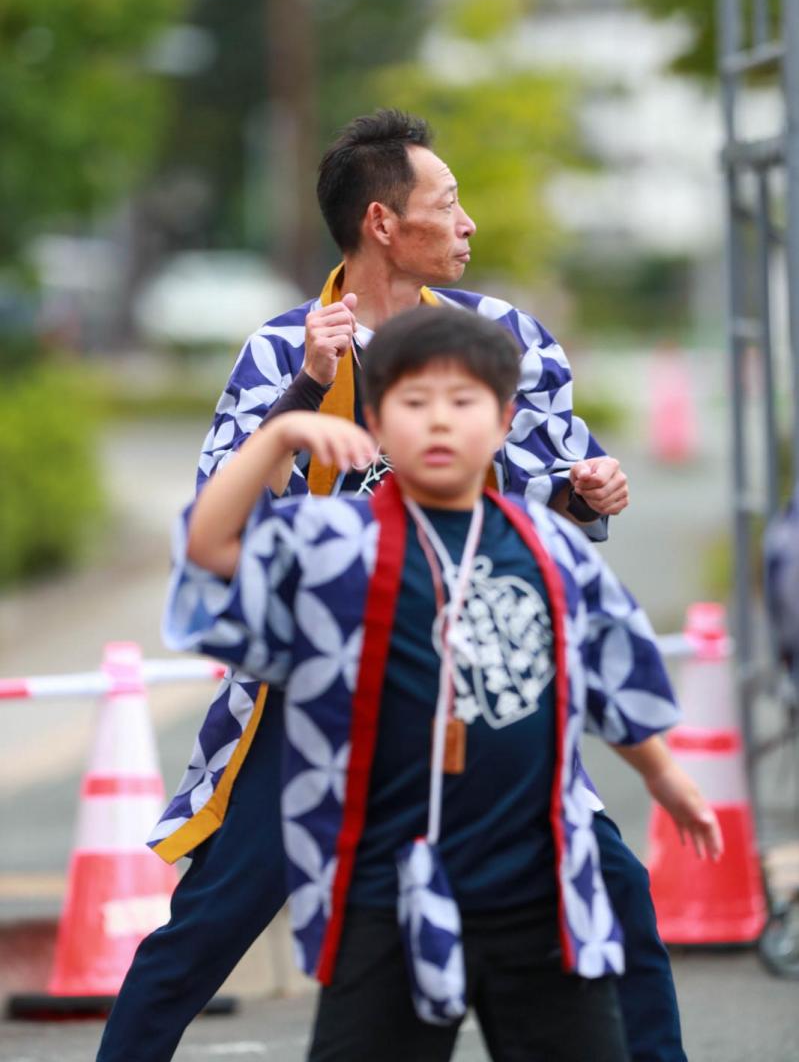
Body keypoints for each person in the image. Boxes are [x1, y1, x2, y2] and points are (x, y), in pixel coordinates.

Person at [96, 110, 676, 1062]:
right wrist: (303, 396)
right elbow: (223, 521)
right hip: (328, 683)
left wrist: (588, 488)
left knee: (613, 887)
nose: (466, 222)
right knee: (210, 923)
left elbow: (547, 481)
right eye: (444, 204)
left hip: (477, 677)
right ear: (381, 222)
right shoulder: (285, 349)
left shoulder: (502, 335)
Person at [163, 305, 721, 1062]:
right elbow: (209, 545)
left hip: (540, 891)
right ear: (376, 422)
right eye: (412, 404)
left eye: (461, 404)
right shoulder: (333, 541)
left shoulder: (550, 544)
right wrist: (285, 432)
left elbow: (610, 671)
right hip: (385, 890)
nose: (437, 423)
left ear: (505, 421)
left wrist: (665, 776)